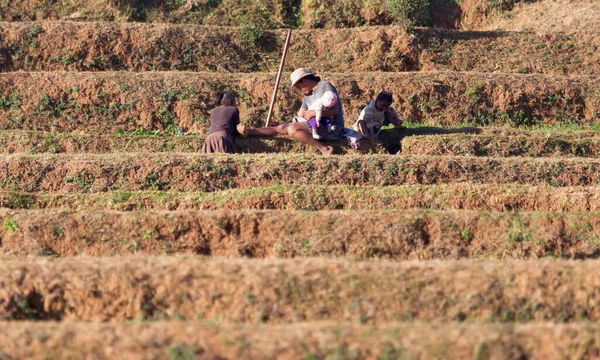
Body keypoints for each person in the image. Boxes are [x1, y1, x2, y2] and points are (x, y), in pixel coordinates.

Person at [238, 68, 344, 156]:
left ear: (304, 81)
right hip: (315, 125)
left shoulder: (325, 86)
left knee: (292, 128)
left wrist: (314, 113)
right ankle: (248, 131)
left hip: (332, 128)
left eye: (299, 87)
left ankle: (324, 149)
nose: (300, 90)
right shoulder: (308, 96)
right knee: (281, 127)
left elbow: (335, 110)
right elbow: (300, 113)